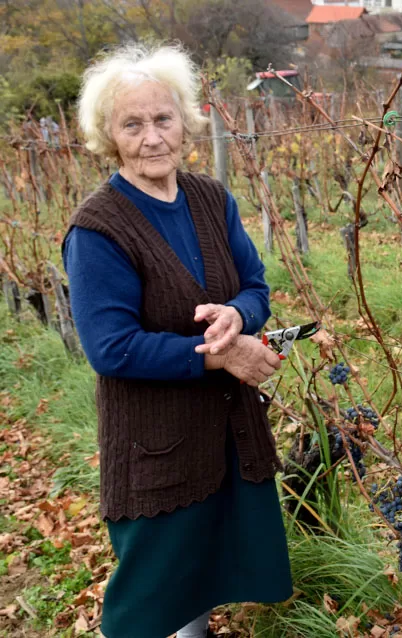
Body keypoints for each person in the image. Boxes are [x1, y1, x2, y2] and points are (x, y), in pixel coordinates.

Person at [63, 44, 291, 638]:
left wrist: (238, 317)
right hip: (155, 448)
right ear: (109, 136)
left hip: (226, 438)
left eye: (163, 119)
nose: (152, 137)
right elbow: (112, 348)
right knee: (156, 604)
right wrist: (220, 356)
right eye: (131, 124)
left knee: (202, 585)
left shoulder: (212, 200)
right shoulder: (99, 229)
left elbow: (256, 286)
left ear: (185, 120)